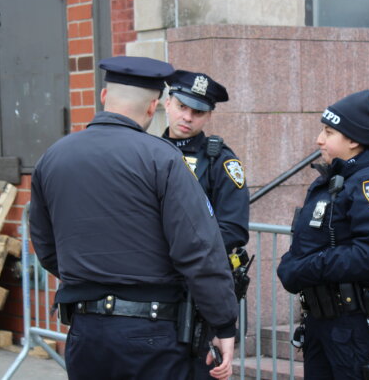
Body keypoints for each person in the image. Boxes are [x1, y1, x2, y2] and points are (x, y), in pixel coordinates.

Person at [29, 56, 238, 380]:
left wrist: (92, 278)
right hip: (151, 334)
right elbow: (198, 251)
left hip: (86, 331)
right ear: (155, 105)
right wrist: (223, 322)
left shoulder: (52, 158)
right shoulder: (163, 158)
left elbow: (45, 246)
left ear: (103, 96)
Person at [276, 89, 369, 379]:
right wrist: (292, 263)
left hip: (354, 327)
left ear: (353, 139)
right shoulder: (332, 181)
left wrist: (305, 268)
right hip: (323, 321)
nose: (319, 139)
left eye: (329, 132)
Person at [162, 70, 250, 379]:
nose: (187, 117)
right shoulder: (145, 153)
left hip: (196, 295)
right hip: (151, 292)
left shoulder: (220, 161)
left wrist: (181, 251)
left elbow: (233, 229)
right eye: (182, 106)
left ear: (208, 116)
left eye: (197, 111)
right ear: (167, 103)